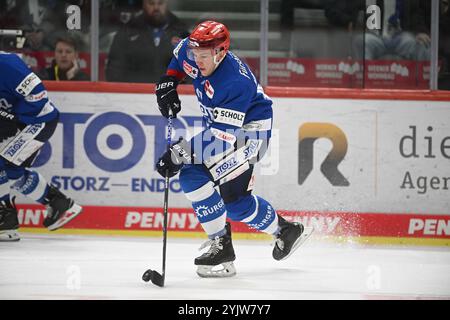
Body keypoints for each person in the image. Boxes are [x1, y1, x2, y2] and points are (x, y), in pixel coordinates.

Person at [154, 21, 314, 278]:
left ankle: (222, 246)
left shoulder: (234, 82)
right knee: (237, 203)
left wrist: (179, 154)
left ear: (220, 52)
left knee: (192, 176)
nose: (197, 60)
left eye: (203, 56)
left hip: (249, 133)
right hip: (227, 131)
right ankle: (285, 231)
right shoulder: (192, 49)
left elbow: (221, 139)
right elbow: (178, 62)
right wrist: (169, 82)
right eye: (195, 54)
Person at [0, 51, 83, 242]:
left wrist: (18, 119)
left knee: (7, 166)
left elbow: (38, 93)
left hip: (37, 121)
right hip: (16, 121)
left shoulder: (7, 64)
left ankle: (7, 219)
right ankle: (57, 202)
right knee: (8, 167)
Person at [105, 0, 189, 83]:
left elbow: (192, 69)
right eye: (151, 3)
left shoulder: (182, 32)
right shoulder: (127, 31)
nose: (156, 7)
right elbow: (114, 71)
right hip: (135, 93)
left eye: (160, 3)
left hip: (170, 92)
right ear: (144, 4)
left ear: (167, 4)